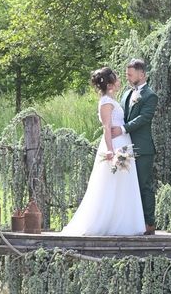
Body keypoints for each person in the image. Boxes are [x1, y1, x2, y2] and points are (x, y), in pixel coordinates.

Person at [61, 67, 146, 236]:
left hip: (123, 143)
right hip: (114, 145)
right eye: (116, 78)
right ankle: (107, 221)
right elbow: (107, 127)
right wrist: (110, 150)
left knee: (123, 185)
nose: (120, 81)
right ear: (109, 84)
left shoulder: (112, 100)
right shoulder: (106, 102)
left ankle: (123, 222)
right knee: (111, 184)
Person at [112, 59, 158, 235]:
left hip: (142, 148)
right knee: (127, 186)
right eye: (127, 74)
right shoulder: (125, 94)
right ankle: (131, 222)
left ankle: (149, 224)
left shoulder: (150, 96)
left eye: (130, 74)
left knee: (144, 185)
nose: (128, 77)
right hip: (124, 147)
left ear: (142, 74)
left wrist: (122, 129)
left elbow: (144, 118)